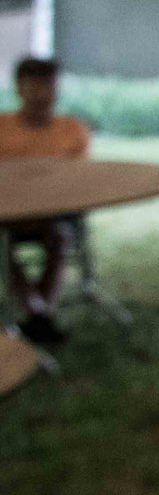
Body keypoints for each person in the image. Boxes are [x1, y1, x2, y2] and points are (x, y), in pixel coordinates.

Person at [0, 55, 89, 346]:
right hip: (8, 214)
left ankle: (38, 311)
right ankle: (36, 310)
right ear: (19, 89)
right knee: (2, 246)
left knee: (60, 238)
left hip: (56, 213)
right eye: (33, 87)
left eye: (47, 87)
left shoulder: (71, 129)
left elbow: (80, 179)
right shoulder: (3, 127)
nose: (41, 95)